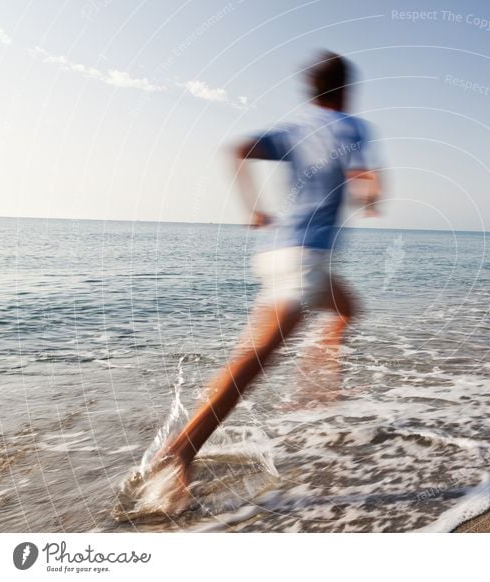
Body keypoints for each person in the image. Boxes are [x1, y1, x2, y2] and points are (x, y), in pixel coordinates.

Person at [152, 51, 381, 514]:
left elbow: (238, 149)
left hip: (279, 251)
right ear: (345, 90)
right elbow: (363, 176)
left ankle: (320, 378)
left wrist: (252, 208)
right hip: (303, 258)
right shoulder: (350, 127)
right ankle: (183, 449)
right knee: (255, 358)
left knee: (347, 307)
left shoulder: (296, 128)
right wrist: (370, 191)